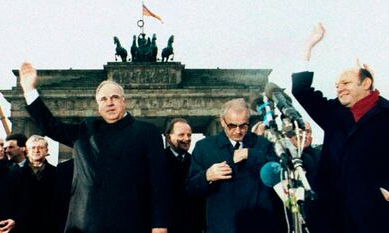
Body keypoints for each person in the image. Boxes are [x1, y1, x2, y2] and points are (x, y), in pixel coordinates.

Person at [18, 62, 169, 233]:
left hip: (130, 222)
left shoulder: (146, 131)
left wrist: (159, 224)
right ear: (98, 105)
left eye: (114, 97)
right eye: (103, 99)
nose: (109, 103)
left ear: (124, 100)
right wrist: (29, 89)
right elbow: (50, 125)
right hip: (86, 223)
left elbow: (159, 181)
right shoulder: (85, 130)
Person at [291, 23, 389, 233]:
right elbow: (300, 90)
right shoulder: (333, 113)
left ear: (366, 83)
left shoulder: (386, 114)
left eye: (346, 83)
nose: (339, 88)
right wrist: (308, 46)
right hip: (332, 214)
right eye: (337, 85)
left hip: (374, 214)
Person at [186, 98, 285, 233]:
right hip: (222, 227)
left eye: (243, 126)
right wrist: (207, 176)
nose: (238, 131)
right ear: (222, 122)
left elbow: (277, 172)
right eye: (232, 126)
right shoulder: (204, 147)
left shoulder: (261, 144)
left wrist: (251, 155)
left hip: (259, 225)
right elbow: (190, 188)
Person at [164, 118, 204, 233]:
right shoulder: (158, 161)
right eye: (181, 135)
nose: (186, 139)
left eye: (189, 135)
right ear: (168, 137)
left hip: (193, 225)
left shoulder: (196, 161)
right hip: (169, 225)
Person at [21, 135, 57, 233]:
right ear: (27, 151)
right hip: (22, 225)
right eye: (33, 147)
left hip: (49, 225)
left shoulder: (57, 172)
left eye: (40, 147)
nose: (36, 150)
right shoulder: (15, 173)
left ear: (46, 150)